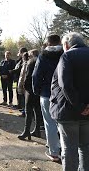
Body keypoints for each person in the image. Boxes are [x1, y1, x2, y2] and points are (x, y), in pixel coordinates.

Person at [50, 32, 89, 170]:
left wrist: (80, 106)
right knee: (85, 148)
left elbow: (65, 85)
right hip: (87, 112)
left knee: (70, 149)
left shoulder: (67, 56)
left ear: (66, 44)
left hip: (69, 111)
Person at [32, 34, 62, 162]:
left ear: (48, 43)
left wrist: (36, 90)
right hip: (63, 93)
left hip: (46, 93)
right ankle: (63, 148)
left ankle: (54, 152)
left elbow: (36, 75)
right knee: (62, 122)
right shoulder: (66, 54)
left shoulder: (43, 56)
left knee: (49, 123)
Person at [18, 49, 41, 140]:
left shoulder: (30, 62)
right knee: (37, 111)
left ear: (32, 55)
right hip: (39, 91)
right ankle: (37, 130)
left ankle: (26, 131)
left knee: (28, 111)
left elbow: (27, 77)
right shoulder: (41, 61)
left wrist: (25, 88)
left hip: (30, 91)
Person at [17, 52, 29, 117]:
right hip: (24, 83)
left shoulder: (25, 64)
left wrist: (21, 84)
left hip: (24, 83)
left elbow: (23, 75)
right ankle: (24, 110)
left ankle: (25, 112)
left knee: (24, 99)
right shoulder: (26, 63)